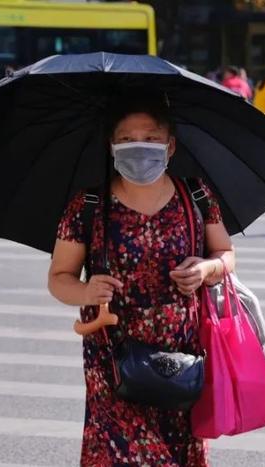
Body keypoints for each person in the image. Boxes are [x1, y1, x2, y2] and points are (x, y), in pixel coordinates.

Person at [48, 91, 235, 466]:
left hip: (180, 358)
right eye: (127, 138)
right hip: (112, 360)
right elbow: (58, 277)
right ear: (111, 146)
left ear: (170, 146)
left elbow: (226, 256)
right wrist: (85, 289)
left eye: (150, 138)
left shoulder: (196, 194)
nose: (139, 147)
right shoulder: (87, 205)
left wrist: (205, 269)